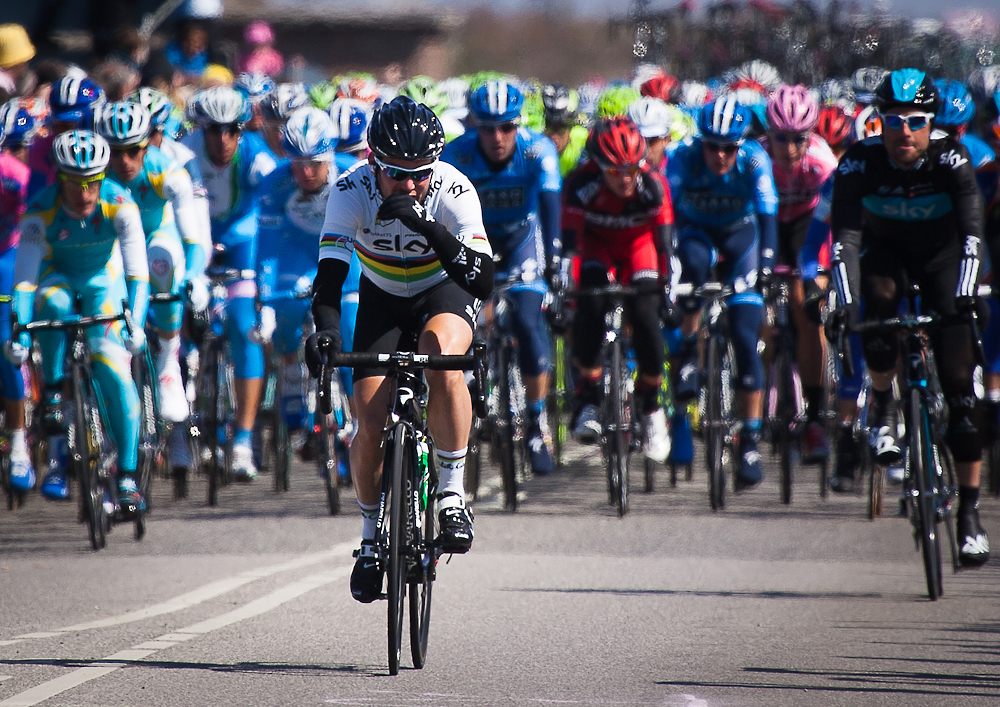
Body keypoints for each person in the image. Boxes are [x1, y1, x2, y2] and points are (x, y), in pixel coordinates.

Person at [306, 96, 493, 603]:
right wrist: (327, 333)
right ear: (372, 163)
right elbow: (329, 278)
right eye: (395, 174)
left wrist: (427, 225)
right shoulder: (350, 190)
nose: (409, 185)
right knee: (369, 419)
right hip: (382, 298)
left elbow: (483, 280)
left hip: (443, 291)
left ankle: (451, 493)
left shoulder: (454, 189)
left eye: (420, 175)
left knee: (441, 355)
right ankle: (370, 540)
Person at [829, 69, 989, 567]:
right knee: (875, 305)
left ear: (931, 124)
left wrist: (966, 294)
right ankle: (882, 405)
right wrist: (843, 302)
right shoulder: (859, 162)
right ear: (879, 122)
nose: (904, 131)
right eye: (893, 120)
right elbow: (845, 241)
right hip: (886, 257)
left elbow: (972, 235)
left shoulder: (951, 159)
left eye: (916, 121)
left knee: (960, 390)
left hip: (943, 261)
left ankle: (969, 514)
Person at [7, 130, 149, 513]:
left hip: (103, 282)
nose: (84, 194)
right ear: (59, 178)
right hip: (57, 277)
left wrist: (134, 323)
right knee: (53, 304)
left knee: (115, 374)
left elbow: (137, 274)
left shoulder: (121, 205)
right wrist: (20, 331)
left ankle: (128, 477)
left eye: (92, 183)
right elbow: (25, 282)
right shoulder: (39, 211)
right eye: (74, 183)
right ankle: (54, 388)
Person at [442, 79, 562, 475]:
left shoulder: (537, 149)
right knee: (464, 323)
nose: (497, 137)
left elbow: (551, 208)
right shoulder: (456, 154)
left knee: (527, 321)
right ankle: (470, 390)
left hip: (520, 239)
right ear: (474, 125)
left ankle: (536, 421)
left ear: (518, 124)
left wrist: (555, 262)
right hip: (474, 240)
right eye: (487, 128)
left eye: (507, 126)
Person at [667, 93, 778, 489]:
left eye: (728, 148)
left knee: (746, 338)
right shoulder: (683, 157)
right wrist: (670, 266)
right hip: (695, 233)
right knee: (692, 267)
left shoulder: (754, 159)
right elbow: (666, 212)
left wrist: (766, 268)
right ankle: (687, 353)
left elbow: (767, 215)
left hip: (740, 237)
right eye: (712, 146)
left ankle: (749, 439)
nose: (719, 155)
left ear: (740, 145)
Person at [93, 101, 210, 481]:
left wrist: (193, 276)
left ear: (148, 146)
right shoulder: (94, 179)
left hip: (157, 239)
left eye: (133, 150)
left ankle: (168, 359)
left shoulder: (168, 172)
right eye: (115, 152)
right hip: (115, 249)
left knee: (163, 260)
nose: (124, 161)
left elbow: (193, 240)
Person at [181, 86, 278, 481]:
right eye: (213, 130)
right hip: (196, 239)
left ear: (242, 129)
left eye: (232, 130)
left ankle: (243, 439)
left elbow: (277, 202)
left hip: (242, 243)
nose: (223, 140)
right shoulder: (185, 154)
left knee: (244, 326)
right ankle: (183, 419)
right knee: (184, 320)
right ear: (200, 129)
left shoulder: (256, 156)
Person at [563, 117, 673, 463]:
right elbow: (570, 249)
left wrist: (668, 293)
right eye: (613, 172)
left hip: (640, 248)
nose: (624, 179)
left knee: (646, 317)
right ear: (598, 167)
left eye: (631, 170)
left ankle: (651, 406)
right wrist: (567, 297)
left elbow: (666, 247)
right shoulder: (580, 184)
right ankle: (590, 397)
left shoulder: (653, 185)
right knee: (589, 308)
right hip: (597, 248)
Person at [760, 84, 839, 463]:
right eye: (780, 138)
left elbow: (834, 222)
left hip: (809, 228)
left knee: (805, 306)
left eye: (798, 139)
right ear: (768, 134)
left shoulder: (823, 163)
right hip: (768, 226)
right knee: (751, 308)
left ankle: (815, 415)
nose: (789, 149)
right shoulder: (755, 159)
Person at [256, 107, 337, 433]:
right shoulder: (275, 183)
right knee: (286, 308)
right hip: (296, 256)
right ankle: (291, 369)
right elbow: (266, 247)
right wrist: (265, 299)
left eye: (315, 163)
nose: (305, 172)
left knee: (349, 324)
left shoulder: (350, 176)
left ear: (330, 158)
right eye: (297, 162)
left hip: (341, 257)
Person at [0, 115, 33, 492]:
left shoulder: (14, 174)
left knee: (4, 343)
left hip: (9, 255)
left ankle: (19, 442)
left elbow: (33, 227)